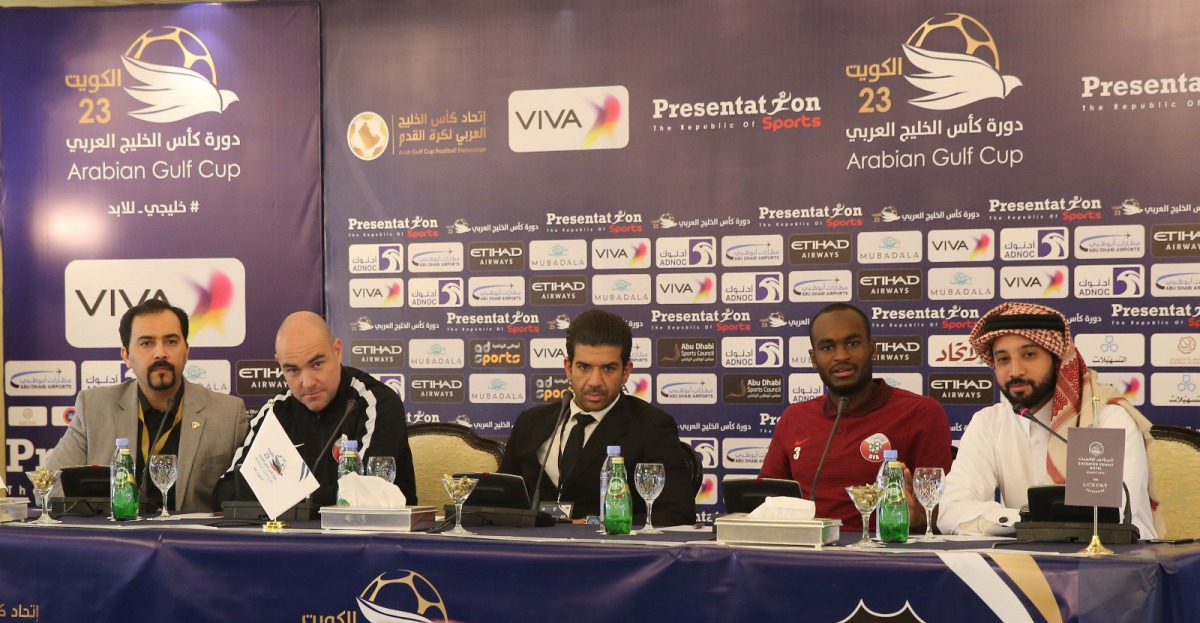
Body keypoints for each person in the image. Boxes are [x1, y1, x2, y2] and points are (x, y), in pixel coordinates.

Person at [937, 302, 1161, 538]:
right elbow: (951, 510)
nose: (1015, 370)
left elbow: (1119, 517)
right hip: (1024, 565)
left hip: (1117, 563)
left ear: (1058, 360)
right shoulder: (989, 423)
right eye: (1003, 359)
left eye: (1029, 355)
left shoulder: (1104, 418)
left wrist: (1029, 524)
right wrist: (1027, 520)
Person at [759, 303, 952, 531]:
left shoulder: (921, 412)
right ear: (813, 358)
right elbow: (765, 499)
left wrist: (920, 518)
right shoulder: (795, 417)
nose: (841, 356)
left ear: (872, 348)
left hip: (886, 560)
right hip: (803, 556)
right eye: (827, 347)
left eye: (852, 343)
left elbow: (943, 510)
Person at [47, 299, 249, 513]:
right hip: (120, 541)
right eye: (146, 343)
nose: (160, 353)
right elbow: (49, 484)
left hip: (192, 543)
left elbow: (243, 496)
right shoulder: (94, 407)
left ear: (186, 350)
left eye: (171, 341)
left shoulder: (228, 413)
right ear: (126, 356)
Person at [499, 309, 695, 526]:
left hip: (608, 554)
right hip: (530, 553)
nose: (595, 381)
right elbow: (499, 504)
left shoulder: (652, 426)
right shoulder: (530, 422)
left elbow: (677, 514)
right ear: (568, 368)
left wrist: (593, 523)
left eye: (609, 368)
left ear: (626, 371)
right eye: (584, 367)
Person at [213, 311, 417, 508]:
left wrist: (287, 499)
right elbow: (226, 491)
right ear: (280, 365)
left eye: (317, 364)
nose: (308, 382)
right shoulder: (275, 412)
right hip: (288, 540)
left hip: (369, 539)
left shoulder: (376, 403)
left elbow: (365, 492)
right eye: (292, 370)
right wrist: (300, 500)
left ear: (337, 352)